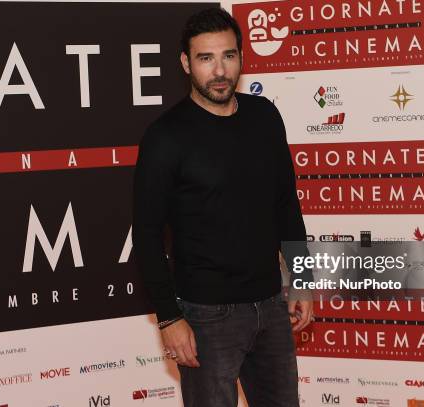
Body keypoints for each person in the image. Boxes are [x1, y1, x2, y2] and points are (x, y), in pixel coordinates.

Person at [132, 7, 314, 407]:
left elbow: (286, 203)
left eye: (228, 56)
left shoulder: (265, 116)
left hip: (270, 306)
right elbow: (145, 236)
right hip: (205, 317)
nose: (219, 70)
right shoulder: (165, 137)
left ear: (241, 58)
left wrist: (302, 277)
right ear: (186, 63)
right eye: (205, 58)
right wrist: (169, 318)